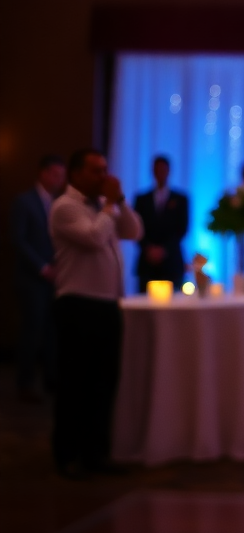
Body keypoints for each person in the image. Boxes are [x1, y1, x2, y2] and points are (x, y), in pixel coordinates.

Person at [50, 148, 143, 478]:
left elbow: (134, 232)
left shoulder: (105, 206)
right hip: (77, 304)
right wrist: (109, 206)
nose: (103, 176)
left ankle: (96, 454)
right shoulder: (64, 207)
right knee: (74, 383)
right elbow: (94, 238)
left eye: (105, 169)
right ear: (75, 174)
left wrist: (120, 202)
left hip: (107, 305)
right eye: (95, 170)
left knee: (103, 384)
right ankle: (67, 456)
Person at [11, 154, 66, 401]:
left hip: (57, 277)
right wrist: (43, 268)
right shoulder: (24, 201)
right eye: (55, 175)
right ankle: (25, 384)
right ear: (43, 173)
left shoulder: (59, 203)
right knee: (31, 331)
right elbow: (18, 240)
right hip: (32, 278)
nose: (59, 180)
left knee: (53, 331)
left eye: (62, 176)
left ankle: (52, 380)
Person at [133, 155, 189, 292]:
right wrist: (148, 248)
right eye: (157, 170)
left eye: (163, 169)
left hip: (172, 262)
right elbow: (136, 228)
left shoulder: (181, 199)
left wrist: (164, 249)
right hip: (147, 263)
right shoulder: (141, 199)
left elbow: (182, 228)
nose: (160, 173)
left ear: (169, 171)